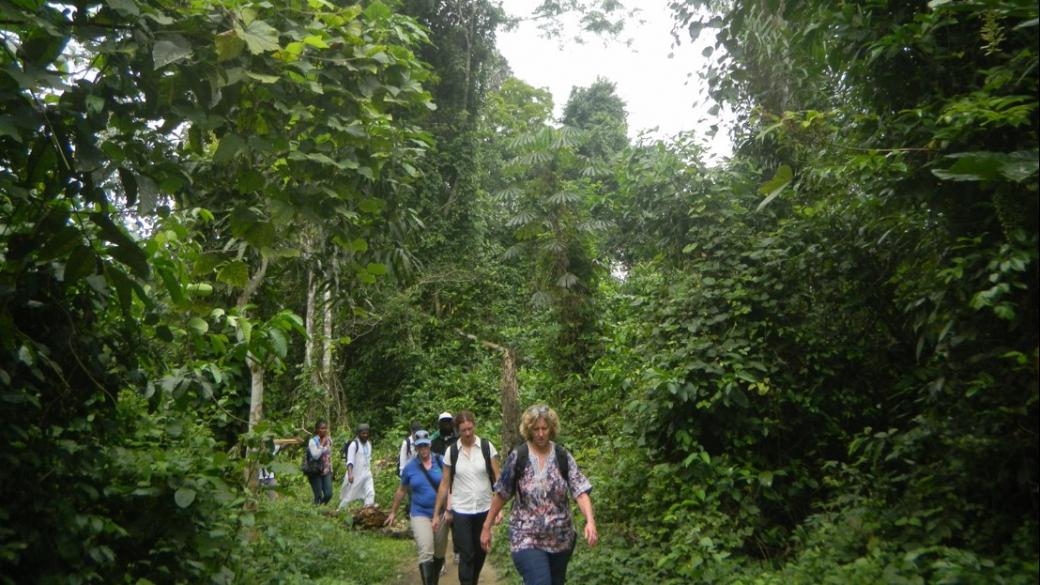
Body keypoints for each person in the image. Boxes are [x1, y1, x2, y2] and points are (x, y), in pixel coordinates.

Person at [480, 405, 598, 585]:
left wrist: (590, 521)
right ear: (528, 430)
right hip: (526, 536)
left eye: (545, 428)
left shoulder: (562, 456)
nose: (541, 434)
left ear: (552, 429)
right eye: (536, 429)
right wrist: (487, 526)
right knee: (540, 581)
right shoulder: (518, 456)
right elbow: (502, 494)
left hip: (561, 538)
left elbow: (580, 491)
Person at [433, 411, 500, 585]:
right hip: (461, 509)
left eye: (470, 428)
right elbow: (444, 484)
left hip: (484, 508)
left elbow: (497, 478)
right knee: (466, 552)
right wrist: (436, 513)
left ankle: (473, 580)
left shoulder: (486, 447)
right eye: (463, 430)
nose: (468, 433)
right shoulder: (452, 451)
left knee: (480, 550)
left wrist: (498, 509)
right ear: (458, 431)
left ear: (474, 426)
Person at [386, 430, 449, 585]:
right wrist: (393, 512)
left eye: (425, 446)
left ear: (430, 445)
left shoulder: (440, 461)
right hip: (419, 512)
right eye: (420, 447)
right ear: (416, 448)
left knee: (439, 552)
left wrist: (450, 508)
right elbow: (402, 490)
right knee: (426, 549)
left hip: (440, 514)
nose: (423, 450)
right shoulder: (410, 467)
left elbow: (450, 484)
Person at [338, 423, 376, 510]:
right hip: (356, 475)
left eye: (367, 433)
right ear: (358, 434)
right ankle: (339, 512)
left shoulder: (369, 444)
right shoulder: (354, 445)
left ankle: (368, 512)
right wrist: (350, 475)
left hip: (367, 474)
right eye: (363, 433)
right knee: (349, 496)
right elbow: (350, 462)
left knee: (370, 493)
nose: (365, 435)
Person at [307, 420, 334, 505]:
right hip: (315, 470)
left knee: (328, 494)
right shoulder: (312, 441)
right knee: (318, 495)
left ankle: (319, 507)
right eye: (322, 428)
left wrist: (331, 469)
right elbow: (315, 455)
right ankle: (317, 511)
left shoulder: (329, 440)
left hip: (326, 470)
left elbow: (328, 456)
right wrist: (322, 445)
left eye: (325, 428)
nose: (324, 430)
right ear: (317, 430)